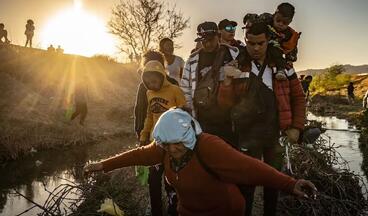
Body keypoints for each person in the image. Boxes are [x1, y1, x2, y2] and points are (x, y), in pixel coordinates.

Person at [84, 108, 317, 216]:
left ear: (188, 136)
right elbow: (137, 155)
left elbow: (250, 167)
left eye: (178, 143)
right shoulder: (164, 147)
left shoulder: (208, 146)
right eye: (167, 144)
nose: (173, 149)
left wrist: (290, 184)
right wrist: (102, 165)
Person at [217, 20, 306, 216]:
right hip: (247, 135)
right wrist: (226, 82)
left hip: (276, 134)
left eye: (260, 43)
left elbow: (298, 98)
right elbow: (224, 104)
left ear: (268, 41)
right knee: (246, 183)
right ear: (245, 41)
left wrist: (297, 128)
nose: (255, 48)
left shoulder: (285, 68)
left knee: (274, 182)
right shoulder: (235, 66)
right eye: (251, 43)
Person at [181, 21, 240, 146]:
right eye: (203, 41)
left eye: (210, 40)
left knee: (230, 154)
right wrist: (192, 115)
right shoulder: (192, 60)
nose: (207, 44)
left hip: (229, 117)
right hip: (203, 117)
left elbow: (242, 79)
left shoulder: (233, 53)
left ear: (218, 36)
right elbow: (185, 88)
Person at [139, 60, 186, 216]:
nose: (152, 84)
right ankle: (156, 210)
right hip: (156, 142)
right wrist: (144, 134)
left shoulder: (174, 90)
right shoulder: (149, 93)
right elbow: (149, 116)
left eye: (155, 81)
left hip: (173, 143)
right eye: (148, 82)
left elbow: (184, 114)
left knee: (171, 177)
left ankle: (174, 207)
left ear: (162, 77)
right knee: (153, 179)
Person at [244, 3, 301, 81]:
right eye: (278, 20)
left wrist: (290, 60)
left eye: (285, 23)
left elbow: (292, 48)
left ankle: (280, 70)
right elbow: (254, 18)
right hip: (257, 46)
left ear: (290, 22)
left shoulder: (289, 34)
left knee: (275, 49)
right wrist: (248, 19)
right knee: (245, 49)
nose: (280, 24)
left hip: (274, 52)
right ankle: (236, 62)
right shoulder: (266, 18)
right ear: (274, 15)